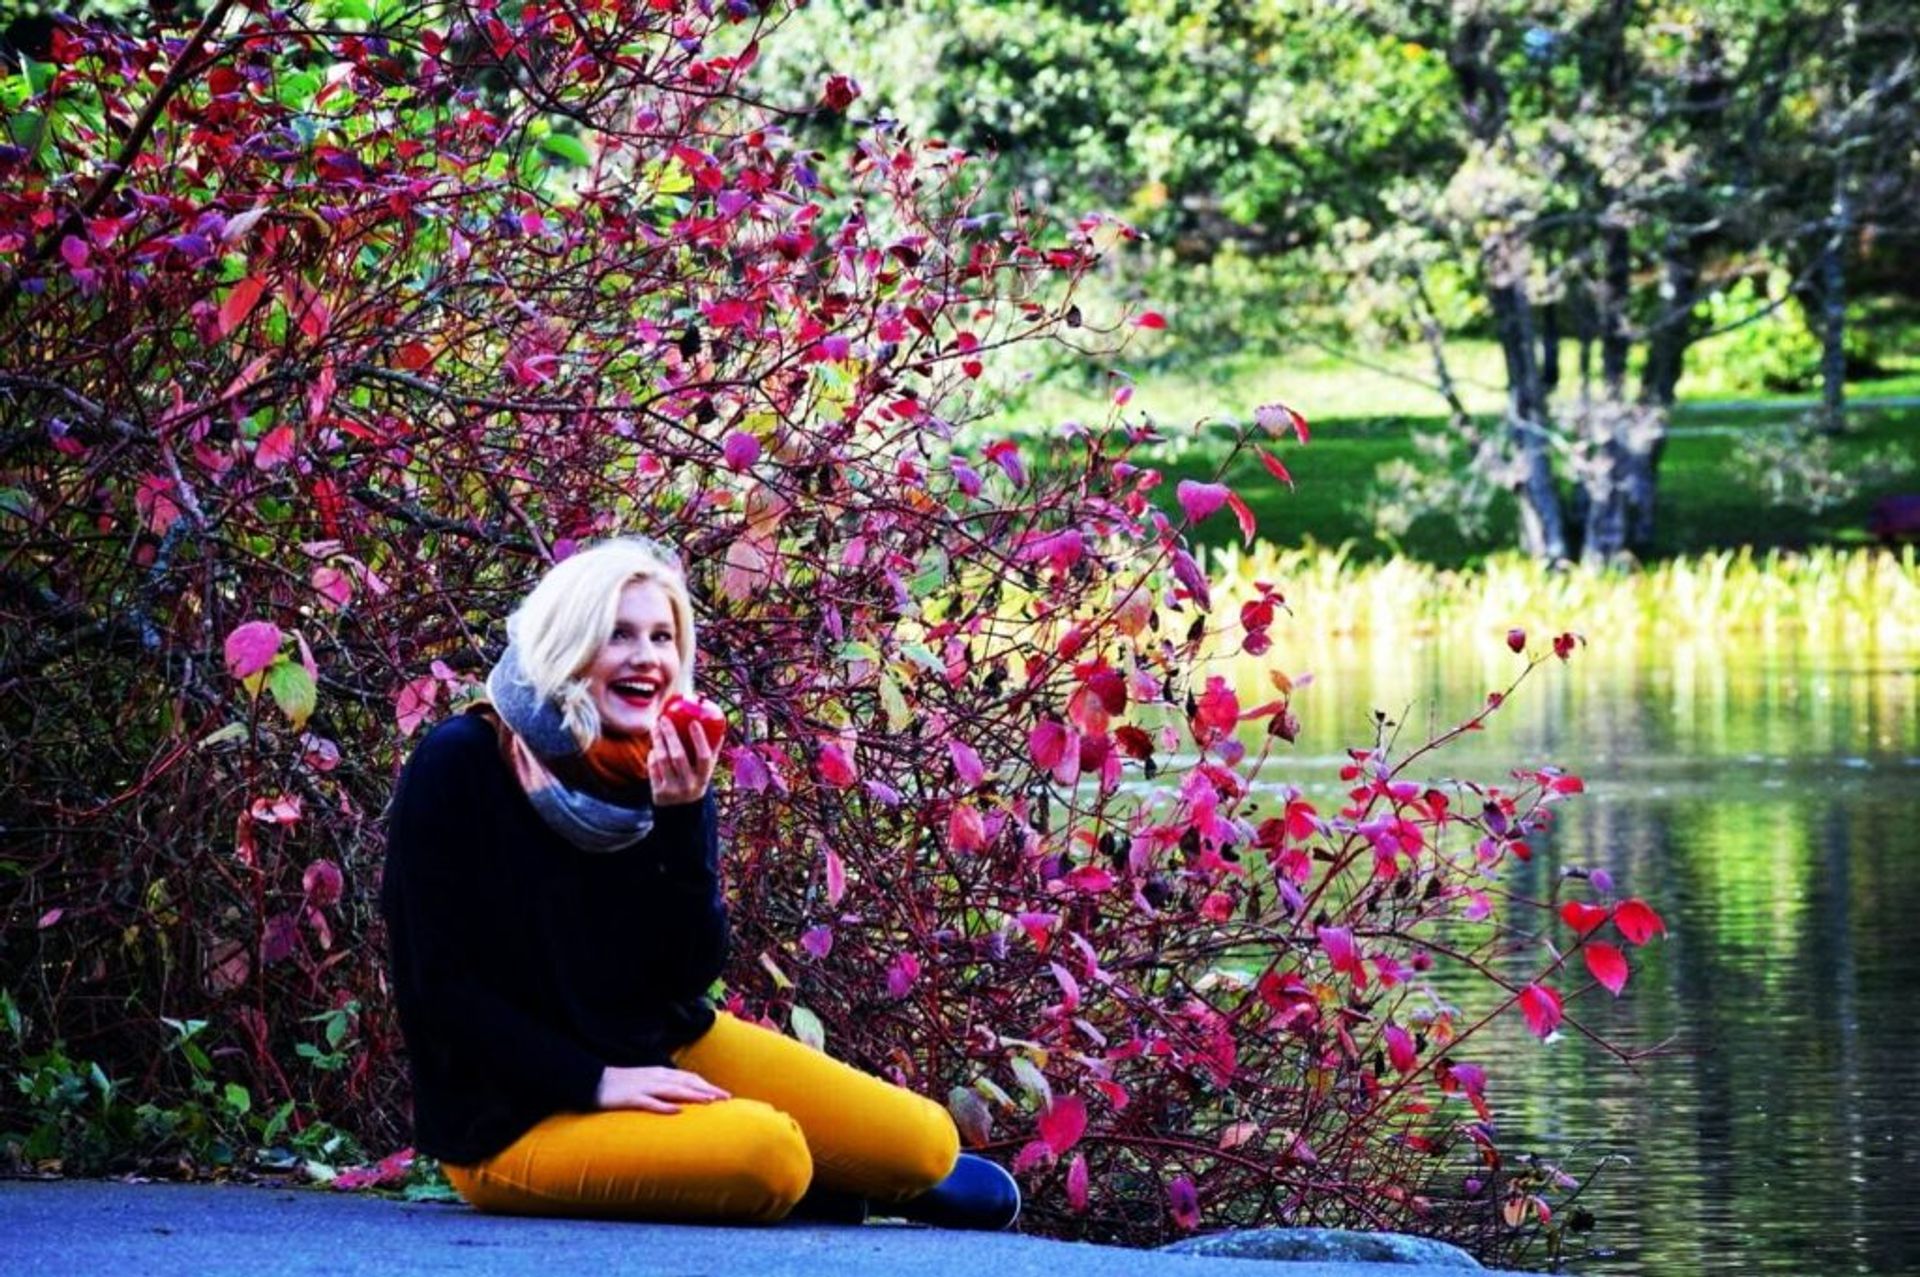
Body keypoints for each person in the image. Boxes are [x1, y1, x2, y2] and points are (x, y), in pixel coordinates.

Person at [379, 536, 1019, 1226]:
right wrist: (595, 1082)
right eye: (617, 634)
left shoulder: (669, 757)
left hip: (654, 1042)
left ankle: (825, 1177)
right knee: (769, 1154)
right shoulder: (460, 762)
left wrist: (680, 818)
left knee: (925, 1143)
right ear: (567, 642)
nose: (647, 657)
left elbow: (686, 974)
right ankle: (788, 1177)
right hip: (509, 1117)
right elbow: (439, 989)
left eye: (662, 636)